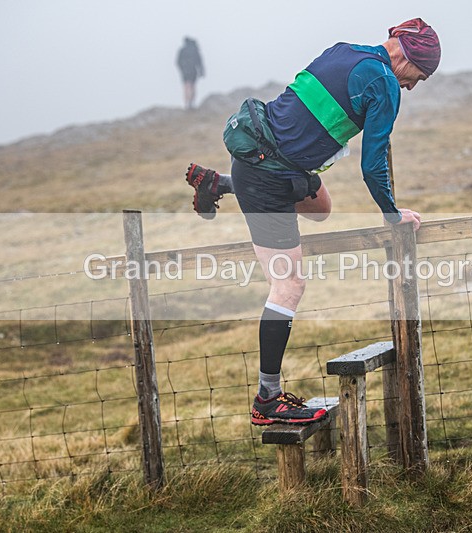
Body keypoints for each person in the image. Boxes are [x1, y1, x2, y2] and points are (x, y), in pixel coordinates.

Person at [185, 18, 440, 424]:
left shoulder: (344, 50)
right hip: (268, 178)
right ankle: (267, 400)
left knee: (321, 208)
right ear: (410, 58)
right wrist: (392, 216)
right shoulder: (385, 85)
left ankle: (222, 183)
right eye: (420, 77)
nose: (412, 86)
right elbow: (373, 165)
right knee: (289, 284)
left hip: (272, 160)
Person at [176, 37, 204, 109]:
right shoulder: (195, 50)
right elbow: (199, 62)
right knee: (192, 86)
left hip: (185, 71)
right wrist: (201, 71)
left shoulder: (182, 50)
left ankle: (186, 103)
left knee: (186, 86)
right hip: (193, 71)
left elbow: (178, 62)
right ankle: (191, 102)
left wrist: (182, 69)